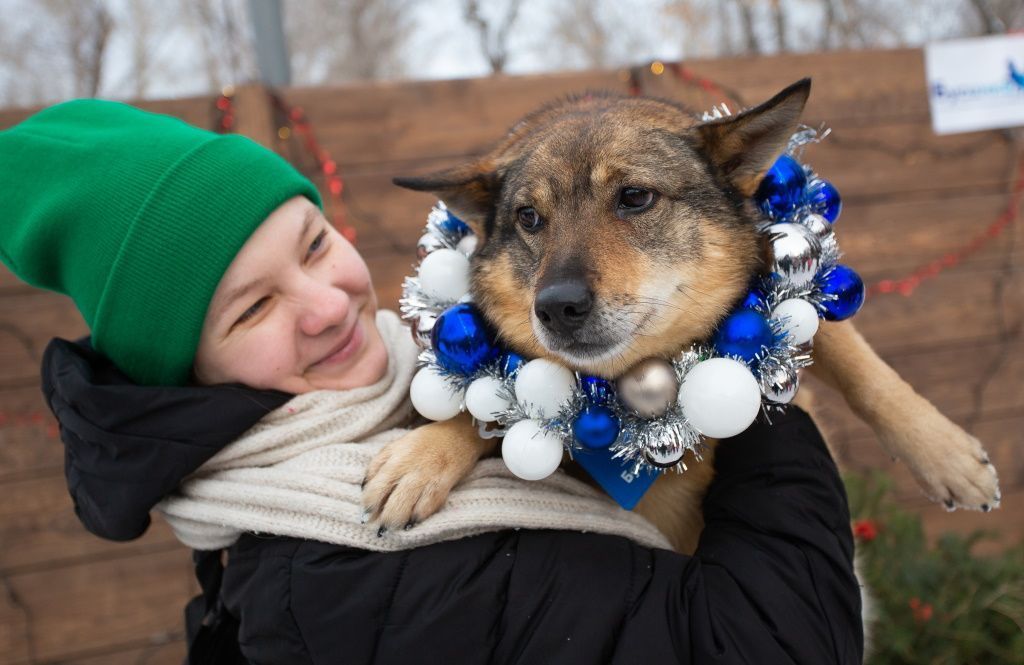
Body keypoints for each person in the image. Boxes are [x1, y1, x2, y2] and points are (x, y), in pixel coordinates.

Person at [0, 100, 864, 664]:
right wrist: (751, 358)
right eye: (251, 308)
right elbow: (783, 642)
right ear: (190, 366)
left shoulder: (438, 377)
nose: (326, 305)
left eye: (311, 246)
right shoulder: (339, 574)